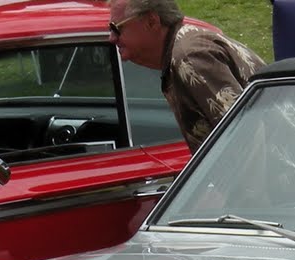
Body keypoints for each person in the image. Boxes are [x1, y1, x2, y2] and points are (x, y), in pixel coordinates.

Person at [108, 0, 265, 150]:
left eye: (116, 28)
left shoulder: (189, 57)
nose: (112, 38)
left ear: (151, 22)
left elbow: (244, 133)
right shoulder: (182, 50)